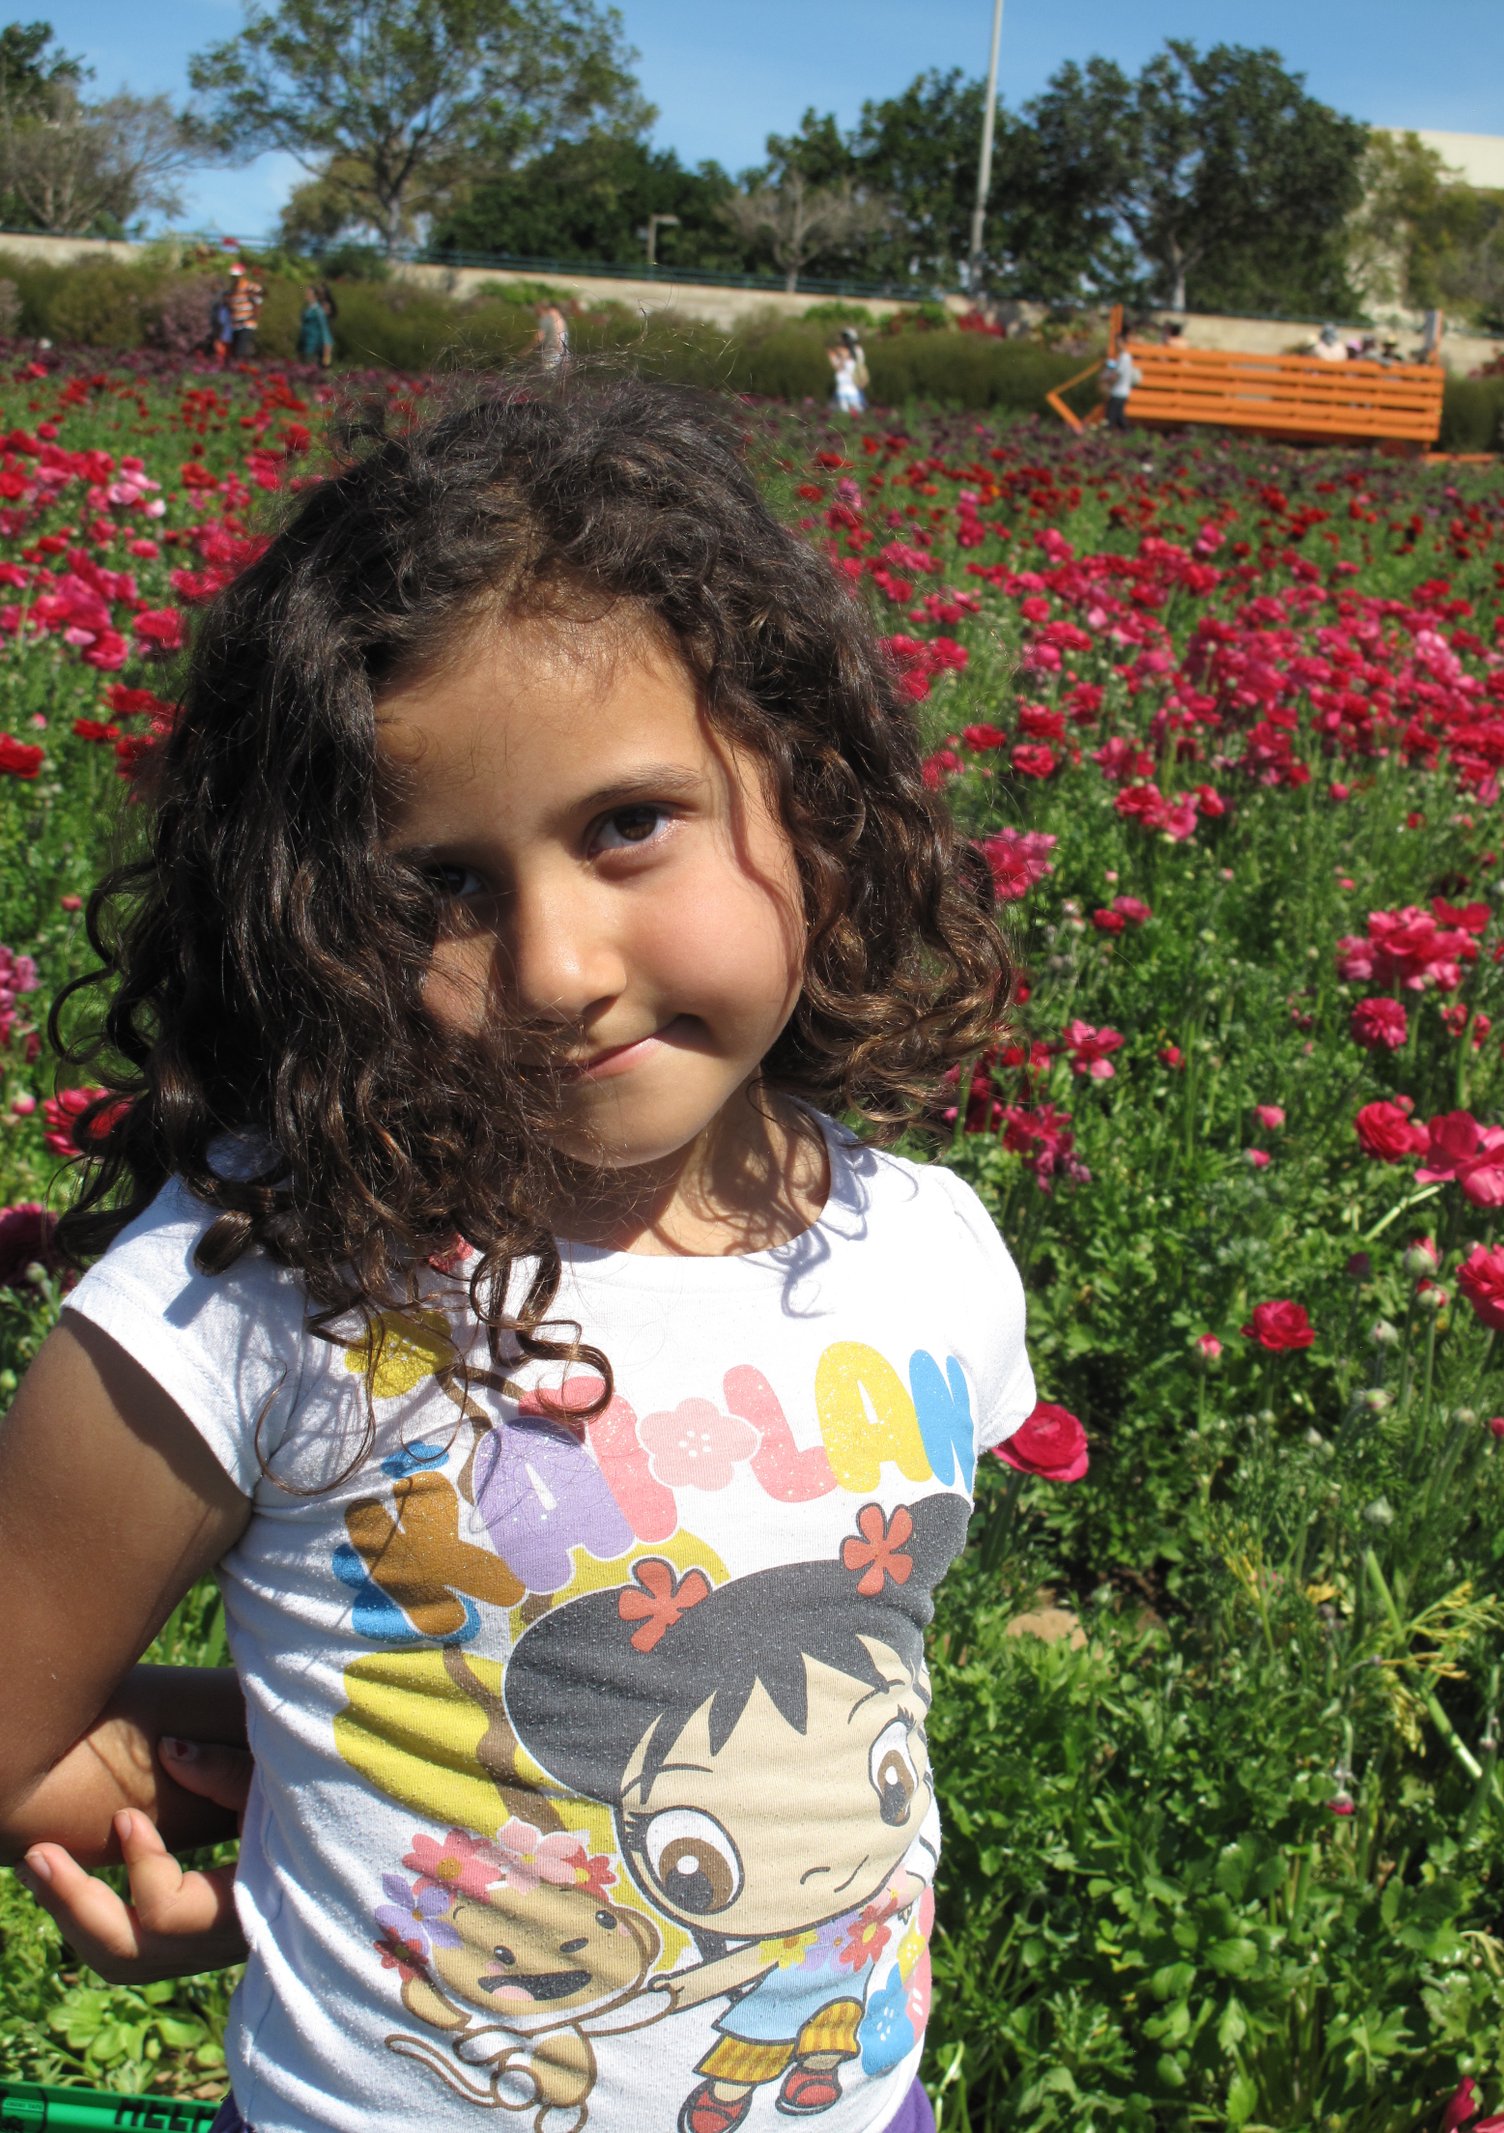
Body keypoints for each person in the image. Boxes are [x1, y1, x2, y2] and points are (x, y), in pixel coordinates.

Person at [0, 375, 1036, 2133]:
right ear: (312, 925)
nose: (553, 964)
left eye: (629, 823)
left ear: (811, 792)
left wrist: (299, 1726)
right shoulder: (269, 1284)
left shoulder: (927, 1257)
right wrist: (168, 1772)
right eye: (437, 890)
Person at [227, 262, 265, 363]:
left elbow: (258, 298)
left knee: (241, 350)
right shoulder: (232, 289)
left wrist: (254, 316)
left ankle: (241, 368)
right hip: (235, 324)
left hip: (246, 323)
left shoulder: (248, 286)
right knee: (235, 350)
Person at [1101, 340, 1140, 431]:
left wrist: (1106, 381)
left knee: (1112, 417)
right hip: (1120, 391)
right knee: (1118, 417)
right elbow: (1115, 367)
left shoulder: (1124, 358)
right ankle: (1127, 434)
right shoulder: (1123, 357)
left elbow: (1117, 375)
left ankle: (1108, 434)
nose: (1116, 346)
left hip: (1119, 392)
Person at [828, 332, 866, 417]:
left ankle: (852, 413)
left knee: (851, 400)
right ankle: (850, 413)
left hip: (849, 380)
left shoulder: (854, 351)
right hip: (846, 380)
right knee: (847, 400)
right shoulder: (850, 351)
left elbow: (840, 367)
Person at [296, 285, 334, 368]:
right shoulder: (308, 309)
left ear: (315, 296)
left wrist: (327, 346)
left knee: (310, 367)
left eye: (309, 293)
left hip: (313, 345)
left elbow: (324, 330)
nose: (306, 295)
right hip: (304, 343)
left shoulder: (319, 311)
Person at [533, 297, 570, 371]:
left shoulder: (547, 319)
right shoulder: (560, 319)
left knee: (549, 377)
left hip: (552, 355)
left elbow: (539, 338)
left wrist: (525, 351)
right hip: (561, 355)